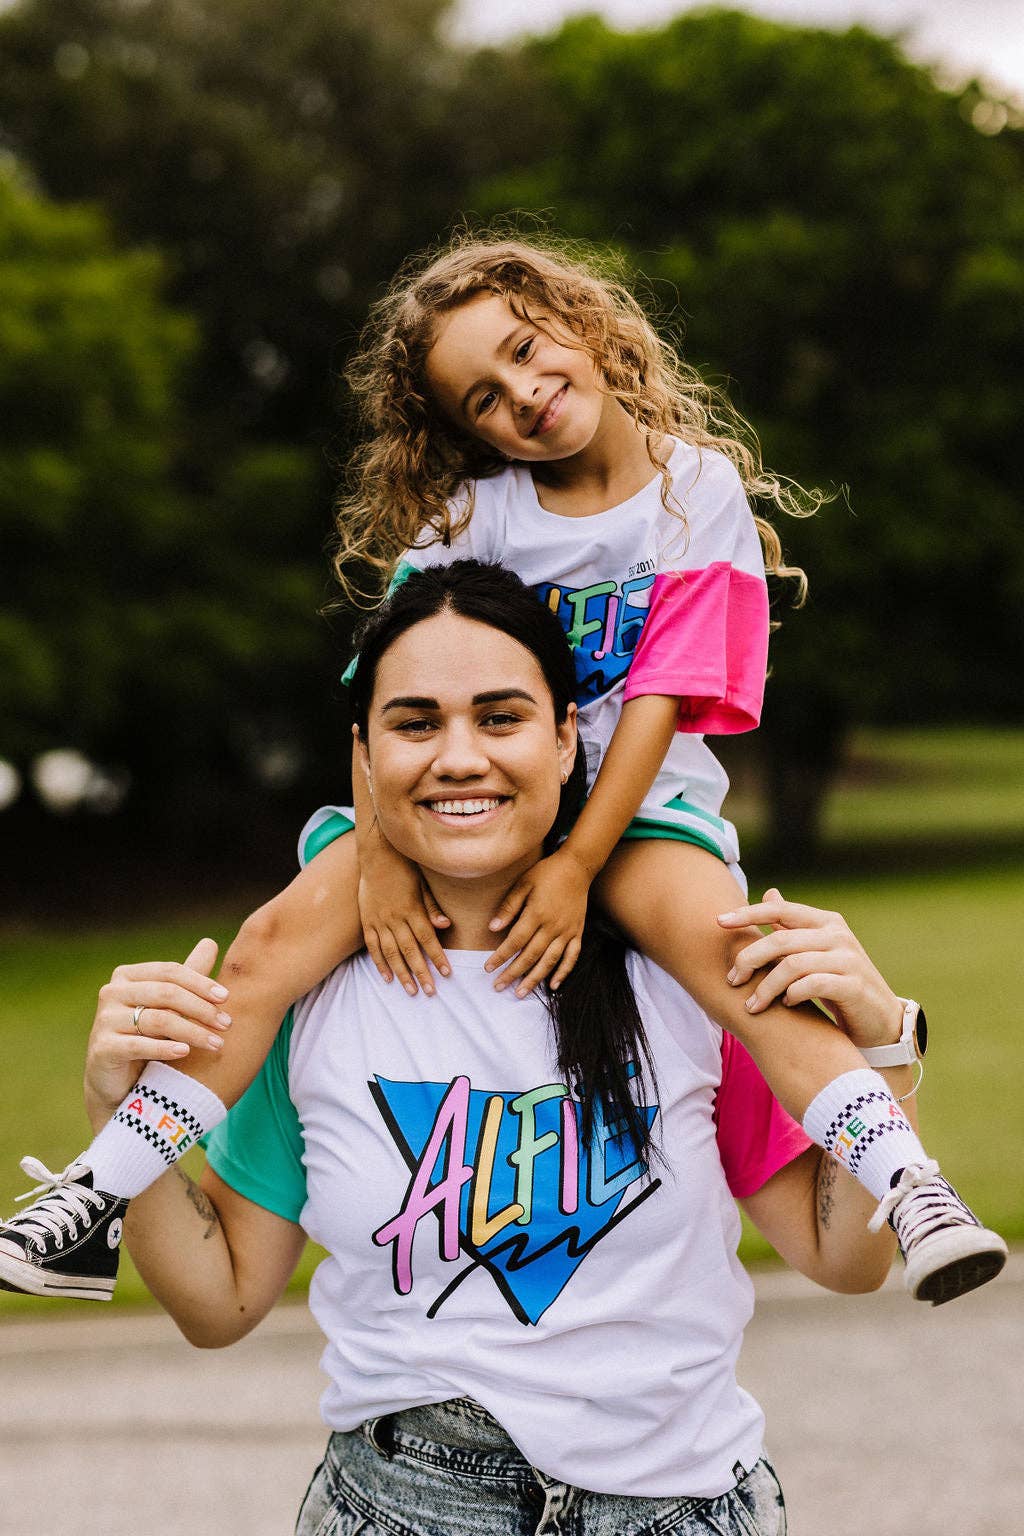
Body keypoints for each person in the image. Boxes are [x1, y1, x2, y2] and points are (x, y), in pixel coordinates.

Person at [0, 237, 1005, 1306]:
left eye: (525, 350)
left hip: (636, 810)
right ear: (464, 429)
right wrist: (379, 858)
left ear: (583, 322)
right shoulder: (473, 519)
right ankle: (95, 1194)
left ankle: (912, 1189)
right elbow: (378, 696)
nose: (522, 393)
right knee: (264, 948)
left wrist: (576, 864)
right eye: (483, 397)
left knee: (747, 971)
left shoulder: (691, 491)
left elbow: (661, 699)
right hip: (456, 803)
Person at [74, 564, 946, 1534]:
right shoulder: (303, 997)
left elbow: (844, 1256)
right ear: (363, 753)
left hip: (683, 1506)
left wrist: (881, 1045)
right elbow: (220, 1303)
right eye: (415, 724)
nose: (459, 758)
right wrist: (120, 1112)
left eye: (500, 718)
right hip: (401, 1508)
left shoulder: (689, 972)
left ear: (567, 738)